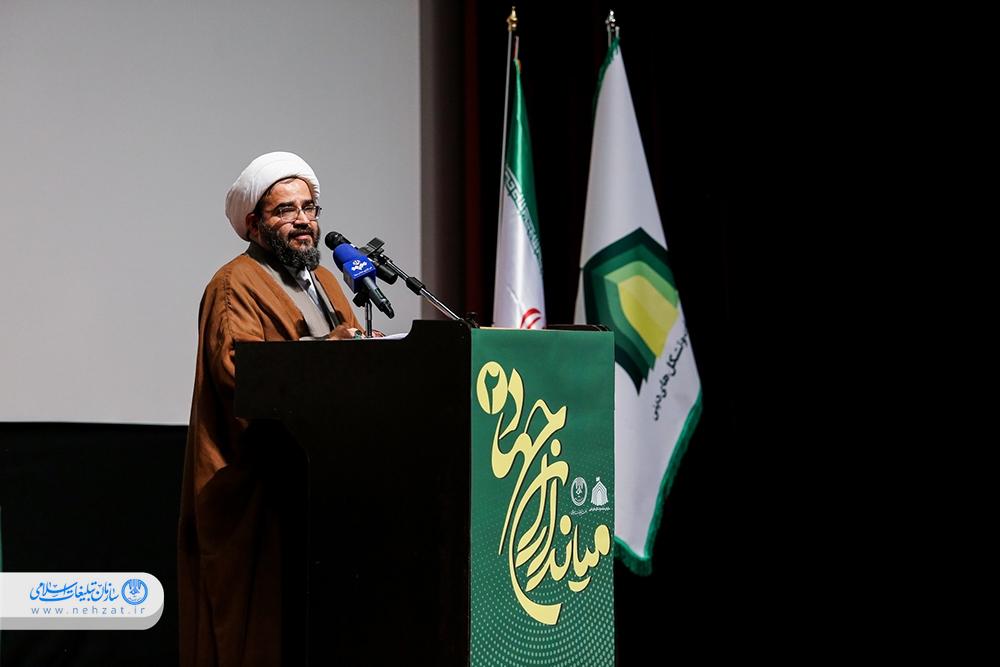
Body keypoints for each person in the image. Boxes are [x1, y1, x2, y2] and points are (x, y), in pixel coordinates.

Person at [177, 152, 362, 666]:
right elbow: (238, 374)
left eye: (309, 208)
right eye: (285, 210)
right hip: (257, 485)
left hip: (318, 481)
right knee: (258, 636)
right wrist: (329, 354)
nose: (302, 220)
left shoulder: (326, 282)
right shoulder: (235, 283)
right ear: (255, 224)